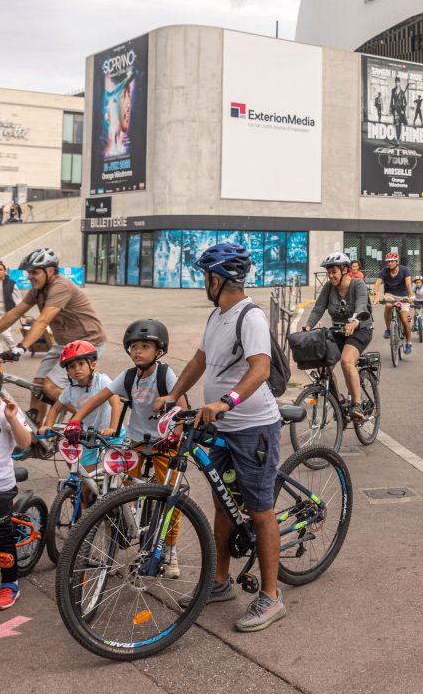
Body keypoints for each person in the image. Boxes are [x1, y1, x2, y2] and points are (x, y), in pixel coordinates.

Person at [154, 242, 285, 632]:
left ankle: (272, 597)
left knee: (260, 511)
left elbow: (260, 369)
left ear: (217, 279)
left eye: (204, 277)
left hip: (253, 427)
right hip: (221, 427)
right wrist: (174, 394)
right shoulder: (217, 316)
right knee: (222, 504)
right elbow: (200, 360)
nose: (202, 283)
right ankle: (219, 581)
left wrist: (226, 401)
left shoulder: (251, 317)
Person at [64, 319, 186, 575]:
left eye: (145, 346)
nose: (138, 351)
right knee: (120, 488)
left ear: (159, 350)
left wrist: (175, 435)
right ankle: (129, 527)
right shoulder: (129, 376)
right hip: (136, 441)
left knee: (169, 497)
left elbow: (181, 408)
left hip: (165, 442)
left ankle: (170, 551)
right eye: (133, 347)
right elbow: (99, 398)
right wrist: (74, 420)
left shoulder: (165, 374)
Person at [0, 248, 108, 425]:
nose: (30, 276)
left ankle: (92, 422)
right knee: (38, 386)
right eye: (29, 273)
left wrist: (21, 347)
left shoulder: (60, 286)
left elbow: (42, 321)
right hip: (65, 344)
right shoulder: (38, 289)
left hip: (88, 341)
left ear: (50, 271)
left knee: (51, 387)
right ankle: (36, 440)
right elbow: (14, 313)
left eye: (34, 272)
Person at [42, 340, 123, 508]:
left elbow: (116, 403)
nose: (76, 369)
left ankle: (120, 507)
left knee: (116, 475)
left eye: (80, 364)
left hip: (112, 433)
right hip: (88, 435)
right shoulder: (70, 390)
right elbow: (56, 408)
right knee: (86, 477)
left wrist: (113, 429)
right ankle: (86, 511)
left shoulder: (102, 380)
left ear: (92, 364)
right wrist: (47, 426)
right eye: (71, 366)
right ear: (67, 371)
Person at [302, 252, 373, 421]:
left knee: (347, 361)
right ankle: (337, 401)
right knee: (322, 367)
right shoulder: (328, 288)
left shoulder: (358, 285)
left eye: (334, 271)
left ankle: (357, 404)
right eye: (329, 272)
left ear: (345, 270)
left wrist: (354, 321)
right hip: (338, 330)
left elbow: (362, 306)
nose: (331, 275)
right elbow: (318, 308)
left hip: (360, 329)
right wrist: (307, 326)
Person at [0, 392, 32, 609]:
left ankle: (10, 582)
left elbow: (25, 442)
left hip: (0, 485)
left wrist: (11, 418)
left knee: (1, 533)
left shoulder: (5, 409)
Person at [373, 251, 414, 354]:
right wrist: (376, 295)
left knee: (405, 319)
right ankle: (388, 329)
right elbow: (377, 284)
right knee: (388, 305)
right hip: (390, 294)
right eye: (388, 261)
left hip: (403, 295)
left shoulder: (405, 270)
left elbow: (409, 285)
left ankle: (409, 343)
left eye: (392, 261)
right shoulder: (384, 271)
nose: (390, 263)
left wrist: (411, 296)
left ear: (397, 261)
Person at [0, 261, 22, 352]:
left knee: (5, 332)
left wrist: (21, 311)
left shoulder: (11, 283)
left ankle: (13, 348)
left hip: (8, 312)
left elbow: (18, 298)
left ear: (5, 271)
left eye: (0, 269)